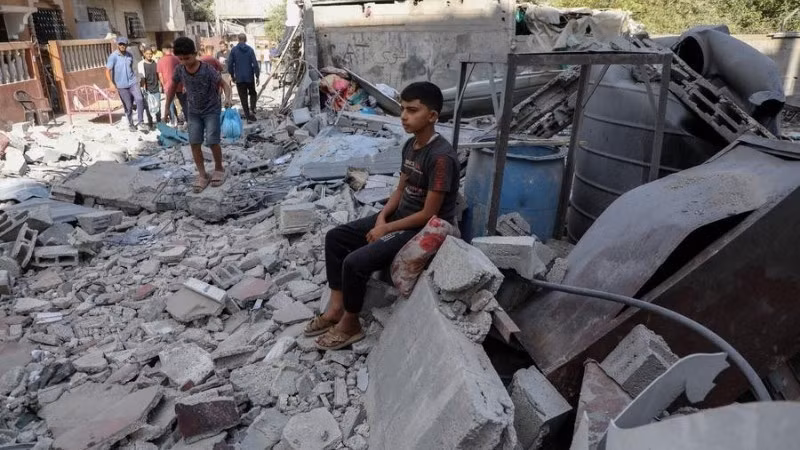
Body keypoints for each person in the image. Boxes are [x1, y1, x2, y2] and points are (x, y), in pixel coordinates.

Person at [304, 82, 459, 350]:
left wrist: (386, 229)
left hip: (422, 227)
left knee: (355, 262)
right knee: (336, 238)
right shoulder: (411, 145)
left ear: (432, 116)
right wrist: (381, 218)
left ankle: (351, 324)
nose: (404, 116)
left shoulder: (440, 157)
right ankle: (336, 308)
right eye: (402, 109)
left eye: (413, 110)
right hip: (400, 216)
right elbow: (400, 189)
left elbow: (429, 213)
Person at [164, 37, 231, 193]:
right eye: (181, 59)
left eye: (187, 58)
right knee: (194, 143)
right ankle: (202, 174)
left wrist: (227, 98)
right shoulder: (180, 70)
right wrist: (167, 107)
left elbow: (224, 84)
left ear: (195, 54)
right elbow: (172, 88)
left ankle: (219, 168)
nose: (184, 62)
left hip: (211, 109)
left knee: (212, 141)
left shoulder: (207, 69)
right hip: (193, 111)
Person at [105, 36, 145, 132]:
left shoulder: (129, 55)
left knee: (139, 99)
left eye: (124, 44)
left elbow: (132, 68)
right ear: (118, 45)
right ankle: (131, 124)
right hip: (121, 85)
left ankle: (141, 122)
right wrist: (111, 83)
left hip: (132, 82)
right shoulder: (113, 56)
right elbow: (107, 71)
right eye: (120, 44)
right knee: (128, 106)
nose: (122, 46)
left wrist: (137, 79)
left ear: (127, 45)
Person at [228, 33, 260, 122]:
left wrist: (232, 75)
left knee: (243, 97)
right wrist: (257, 75)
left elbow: (230, 64)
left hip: (239, 78)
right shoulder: (250, 50)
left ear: (238, 39)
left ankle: (248, 116)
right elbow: (255, 64)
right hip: (249, 77)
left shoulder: (234, 50)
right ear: (245, 40)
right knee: (253, 93)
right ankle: (252, 108)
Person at [157, 43, 186, 126]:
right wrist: (184, 84)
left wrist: (163, 85)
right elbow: (183, 71)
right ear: (171, 49)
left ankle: (174, 121)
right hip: (179, 84)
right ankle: (187, 120)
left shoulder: (160, 61)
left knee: (170, 104)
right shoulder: (177, 59)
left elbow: (160, 75)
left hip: (168, 86)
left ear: (163, 50)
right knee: (183, 103)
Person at [137, 48, 160, 127]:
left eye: (150, 54)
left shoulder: (155, 62)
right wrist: (142, 88)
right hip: (147, 89)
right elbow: (141, 77)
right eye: (147, 54)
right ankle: (150, 123)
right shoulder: (141, 64)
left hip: (156, 87)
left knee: (157, 106)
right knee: (148, 107)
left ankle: (159, 122)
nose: (149, 55)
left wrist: (160, 85)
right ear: (144, 54)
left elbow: (158, 74)